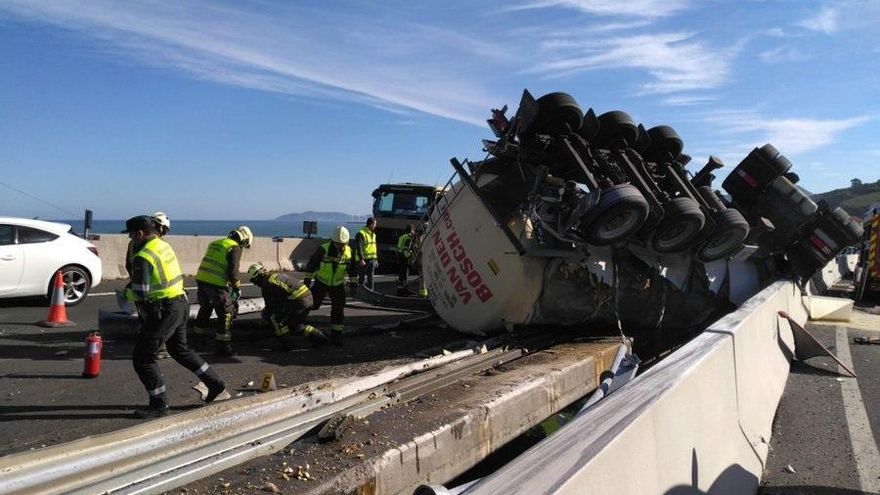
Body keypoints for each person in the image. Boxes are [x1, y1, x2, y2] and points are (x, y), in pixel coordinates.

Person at [122, 215, 227, 418]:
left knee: (143, 358)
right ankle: (215, 383)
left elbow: (140, 291)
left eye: (131, 234)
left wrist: (125, 293)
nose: (130, 238)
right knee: (180, 349)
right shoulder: (163, 246)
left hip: (163, 309)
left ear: (140, 233)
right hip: (180, 302)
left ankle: (159, 405)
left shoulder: (143, 256)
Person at [192, 225, 253, 356]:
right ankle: (223, 346)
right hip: (216, 284)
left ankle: (197, 340)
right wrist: (237, 286)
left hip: (201, 279)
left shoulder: (216, 243)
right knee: (226, 313)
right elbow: (233, 270)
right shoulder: (234, 247)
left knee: (205, 309)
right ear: (244, 239)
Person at [124, 211, 173, 360]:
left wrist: (135, 281)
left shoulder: (134, 243)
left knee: (144, 317)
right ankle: (158, 349)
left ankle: (144, 343)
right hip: (151, 290)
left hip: (139, 284)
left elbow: (128, 264)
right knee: (156, 320)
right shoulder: (155, 245)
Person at [247, 263, 328, 350]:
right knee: (294, 325)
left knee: (275, 319)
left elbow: (271, 307)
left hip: (298, 301)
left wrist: (266, 315)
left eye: (254, 281)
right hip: (307, 298)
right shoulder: (274, 276)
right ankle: (319, 338)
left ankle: (287, 344)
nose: (255, 284)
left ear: (257, 277)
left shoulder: (267, 285)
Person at [304, 225, 356, 345]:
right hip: (321, 282)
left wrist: (353, 285)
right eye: (338, 244)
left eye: (343, 244)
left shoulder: (349, 252)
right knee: (311, 304)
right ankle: (298, 324)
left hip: (337, 285)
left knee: (338, 310)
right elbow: (311, 266)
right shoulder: (323, 249)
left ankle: (336, 337)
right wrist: (307, 282)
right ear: (332, 241)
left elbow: (353, 270)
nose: (340, 247)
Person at [354, 217, 378, 290]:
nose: (375, 226)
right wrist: (361, 259)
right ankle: (359, 293)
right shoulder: (361, 233)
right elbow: (359, 247)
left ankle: (371, 293)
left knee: (371, 277)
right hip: (364, 260)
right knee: (361, 277)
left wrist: (376, 259)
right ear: (371, 224)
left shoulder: (373, 234)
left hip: (372, 260)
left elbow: (374, 247)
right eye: (374, 224)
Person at [396, 224, 417, 294]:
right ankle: (404, 290)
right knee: (405, 274)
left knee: (401, 274)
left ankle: (400, 290)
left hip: (400, 256)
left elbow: (399, 247)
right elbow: (405, 249)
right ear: (411, 230)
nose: (414, 232)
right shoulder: (408, 238)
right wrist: (410, 255)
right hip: (404, 258)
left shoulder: (402, 236)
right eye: (413, 230)